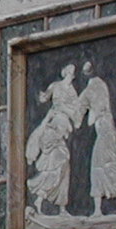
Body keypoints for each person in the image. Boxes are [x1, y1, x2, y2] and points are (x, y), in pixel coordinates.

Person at [26, 64, 83, 216]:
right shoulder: (55, 86)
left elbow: (77, 114)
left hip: (62, 131)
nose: (71, 73)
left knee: (64, 167)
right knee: (56, 166)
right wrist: (43, 97)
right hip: (53, 131)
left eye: (73, 72)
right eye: (69, 71)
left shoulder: (72, 92)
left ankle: (61, 207)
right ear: (65, 72)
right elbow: (44, 98)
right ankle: (40, 198)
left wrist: (72, 114)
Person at [79, 62, 116, 216]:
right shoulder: (99, 87)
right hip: (107, 134)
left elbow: (84, 113)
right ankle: (103, 208)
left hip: (105, 135)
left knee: (102, 167)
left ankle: (102, 209)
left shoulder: (92, 90)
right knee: (106, 168)